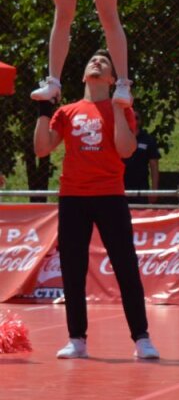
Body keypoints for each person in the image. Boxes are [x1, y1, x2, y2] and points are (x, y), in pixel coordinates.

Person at [33, 49, 158, 360]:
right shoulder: (68, 111)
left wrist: (117, 106)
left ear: (113, 79)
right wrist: (42, 111)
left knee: (126, 266)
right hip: (73, 197)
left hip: (110, 195)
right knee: (72, 269)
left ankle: (141, 338)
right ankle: (77, 339)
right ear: (83, 75)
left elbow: (126, 150)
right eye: (92, 60)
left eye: (104, 62)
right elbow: (42, 148)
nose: (97, 62)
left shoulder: (122, 109)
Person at [121, 109, 161, 203]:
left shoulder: (148, 139)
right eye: (130, 118)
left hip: (141, 188)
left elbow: (154, 166)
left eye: (136, 118)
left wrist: (155, 190)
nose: (134, 120)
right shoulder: (119, 138)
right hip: (120, 187)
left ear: (141, 120)